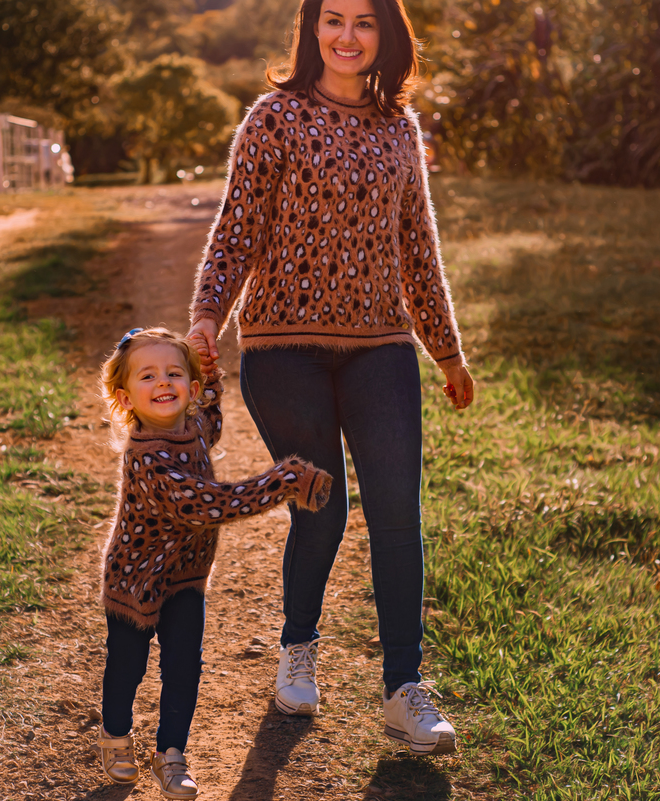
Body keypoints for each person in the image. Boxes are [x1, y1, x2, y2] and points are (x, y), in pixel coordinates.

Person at [187, 0, 474, 757]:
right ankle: (298, 649)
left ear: (387, 36)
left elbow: (419, 248)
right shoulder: (274, 118)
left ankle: (404, 687)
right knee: (323, 505)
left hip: (380, 344)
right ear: (312, 30)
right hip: (284, 349)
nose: (347, 36)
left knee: (395, 510)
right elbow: (235, 230)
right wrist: (203, 321)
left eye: (365, 22)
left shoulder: (399, 130)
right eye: (333, 19)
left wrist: (446, 351)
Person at [95, 327, 332, 798]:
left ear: (190, 384)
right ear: (125, 397)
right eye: (148, 376)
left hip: (187, 578)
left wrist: (212, 375)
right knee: (128, 665)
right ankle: (116, 735)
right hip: (135, 582)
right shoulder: (148, 459)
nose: (164, 382)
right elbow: (209, 505)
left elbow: (210, 418)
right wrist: (282, 480)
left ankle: (171, 753)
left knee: (184, 667)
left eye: (174, 373)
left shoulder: (192, 424)